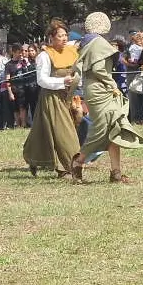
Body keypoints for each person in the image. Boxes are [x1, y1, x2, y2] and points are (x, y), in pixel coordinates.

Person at [75, 12, 143, 183]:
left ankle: (116, 172)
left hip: (95, 88)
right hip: (100, 89)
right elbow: (99, 69)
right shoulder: (98, 42)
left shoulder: (87, 42)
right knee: (100, 129)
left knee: (113, 127)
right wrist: (112, 85)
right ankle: (78, 162)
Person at [22, 19, 82, 178]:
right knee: (64, 133)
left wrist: (77, 82)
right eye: (60, 36)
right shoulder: (44, 56)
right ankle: (72, 166)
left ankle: (34, 158)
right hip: (52, 98)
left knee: (42, 132)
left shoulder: (71, 52)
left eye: (65, 35)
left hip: (69, 97)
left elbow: (77, 73)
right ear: (51, 38)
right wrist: (62, 81)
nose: (64, 38)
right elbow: (41, 80)